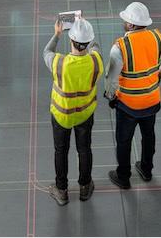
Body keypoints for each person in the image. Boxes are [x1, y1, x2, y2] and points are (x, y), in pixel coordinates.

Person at [105, 2, 161, 189]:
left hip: (127, 105)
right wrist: (160, 74)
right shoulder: (157, 38)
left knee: (124, 141)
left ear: (130, 24)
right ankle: (146, 169)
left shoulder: (120, 47)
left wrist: (111, 96)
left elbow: (112, 79)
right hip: (151, 101)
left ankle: (123, 177)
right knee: (148, 136)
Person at [42, 15, 103, 206]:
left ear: (71, 40)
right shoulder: (96, 61)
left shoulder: (59, 63)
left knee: (61, 151)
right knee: (84, 149)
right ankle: (85, 186)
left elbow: (47, 51)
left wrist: (57, 34)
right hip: (85, 114)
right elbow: (95, 47)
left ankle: (61, 190)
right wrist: (85, 27)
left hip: (62, 115)